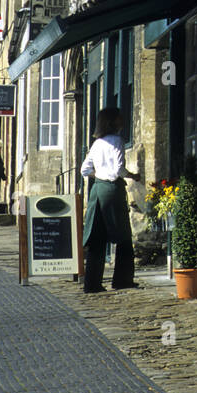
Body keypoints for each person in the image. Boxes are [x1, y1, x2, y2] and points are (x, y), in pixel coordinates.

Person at [80, 109, 139, 293]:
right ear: (113, 122)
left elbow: (84, 170)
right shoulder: (117, 141)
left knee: (97, 238)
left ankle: (92, 283)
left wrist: (99, 174)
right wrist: (133, 176)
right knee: (123, 236)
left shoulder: (97, 143)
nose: (123, 120)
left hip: (97, 190)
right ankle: (122, 280)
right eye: (119, 118)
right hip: (113, 190)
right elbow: (119, 169)